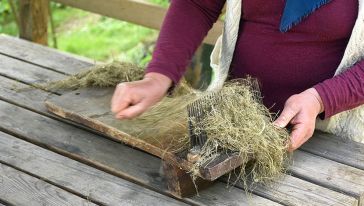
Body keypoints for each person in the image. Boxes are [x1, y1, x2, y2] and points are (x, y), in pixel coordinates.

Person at [111, 0, 364, 151]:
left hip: (327, 138)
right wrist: (158, 76)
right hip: (230, 125)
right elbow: (197, 4)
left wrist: (322, 99)